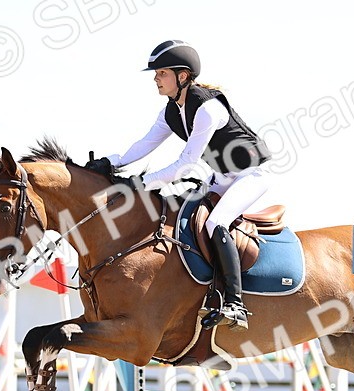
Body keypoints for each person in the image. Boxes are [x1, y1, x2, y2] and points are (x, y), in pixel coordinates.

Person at [88, 40, 271, 331]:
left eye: (161, 73)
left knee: (216, 223)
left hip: (250, 175)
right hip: (220, 177)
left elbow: (184, 164)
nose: (155, 79)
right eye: (156, 74)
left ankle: (236, 304)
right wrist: (111, 163)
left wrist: (140, 183)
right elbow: (144, 145)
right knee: (182, 216)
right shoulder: (171, 111)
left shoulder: (207, 108)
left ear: (182, 76)